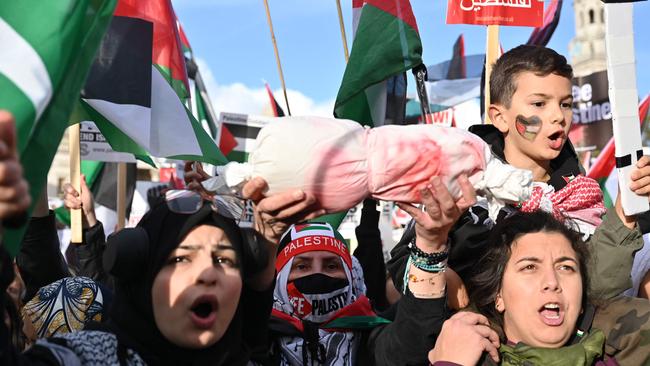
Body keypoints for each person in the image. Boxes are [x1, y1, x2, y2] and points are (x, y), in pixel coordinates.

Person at [0, 198, 275, 365]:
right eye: (180, 259)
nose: (207, 274)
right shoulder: (86, 359)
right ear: (142, 271)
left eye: (224, 261)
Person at [428, 210, 648, 365]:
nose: (552, 282)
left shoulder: (630, 350)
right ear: (498, 296)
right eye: (530, 267)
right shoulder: (461, 355)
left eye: (566, 267)